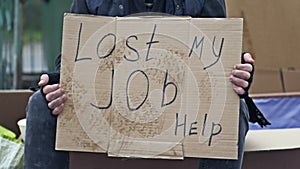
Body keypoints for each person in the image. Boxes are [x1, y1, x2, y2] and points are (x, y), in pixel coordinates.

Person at [24, 0, 269, 168]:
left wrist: (240, 76)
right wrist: (59, 80)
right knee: (41, 104)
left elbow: (218, 58)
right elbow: (73, 53)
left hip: (180, 103)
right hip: (108, 101)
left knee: (234, 109)